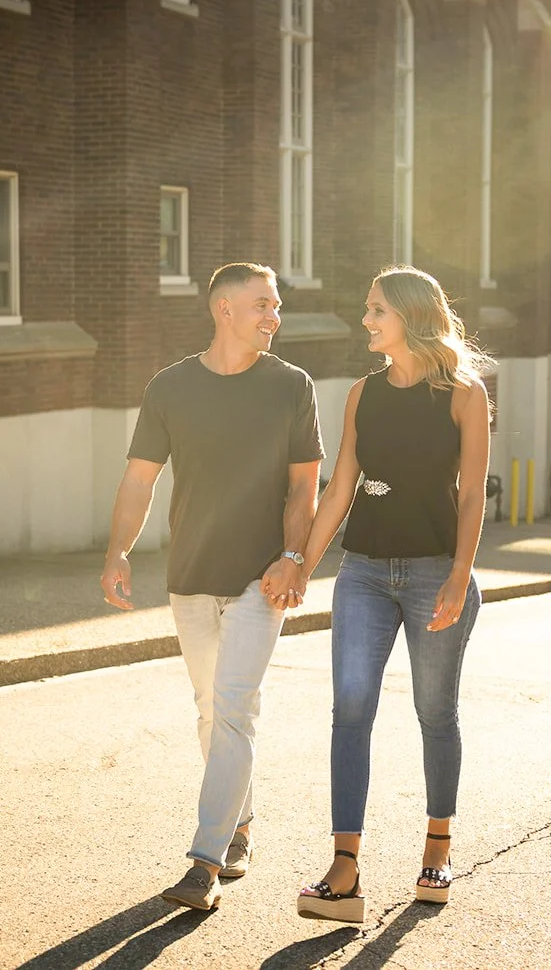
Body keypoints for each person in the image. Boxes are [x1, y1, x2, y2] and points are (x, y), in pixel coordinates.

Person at [100, 262, 322, 913]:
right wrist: (117, 550)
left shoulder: (291, 386)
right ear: (223, 308)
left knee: (232, 707)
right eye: (262, 304)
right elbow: (140, 479)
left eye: (276, 305)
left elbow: (304, 485)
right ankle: (241, 824)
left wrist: (293, 556)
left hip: (262, 579)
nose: (273, 316)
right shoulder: (171, 387)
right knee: (210, 709)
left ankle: (206, 859)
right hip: (189, 576)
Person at [291, 266, 492, 924]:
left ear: (411, 315)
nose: (367, 321)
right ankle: (345, 870)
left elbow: (470, 494)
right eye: (367, 309)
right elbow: (340, 489)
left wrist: (461, 574)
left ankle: (438, 846)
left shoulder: (465, 396)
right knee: (350, 706)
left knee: (436, 711)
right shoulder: (361, 395)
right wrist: (301, 563)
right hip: (365, 574)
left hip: (437, 571)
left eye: (377, 310)